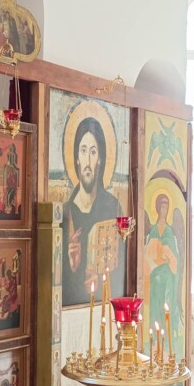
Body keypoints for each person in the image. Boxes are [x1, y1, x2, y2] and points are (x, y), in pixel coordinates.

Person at [61, 116, 123, 305]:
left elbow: (122, 265)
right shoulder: (65, 213)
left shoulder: (113, 207)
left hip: (103, 308)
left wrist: (103, 281)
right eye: (83, 150)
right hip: (71, 312)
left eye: (93, 152)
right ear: (76, 158)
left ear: (100, 160)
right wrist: (72, 267)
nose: (88, 161)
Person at [145, 193, 181, 353]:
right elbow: (148, 254)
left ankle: (167, 345)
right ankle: (154, 343)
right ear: (157, 208)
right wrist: (157, 255)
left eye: (167, 208)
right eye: (162, 207)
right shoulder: (153, 230)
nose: (164, 211)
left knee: (166, 307)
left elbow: (175, 257)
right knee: (155, 307)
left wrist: (168, 255)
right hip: (155, 277)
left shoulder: (170, 231)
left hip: (167, 277)